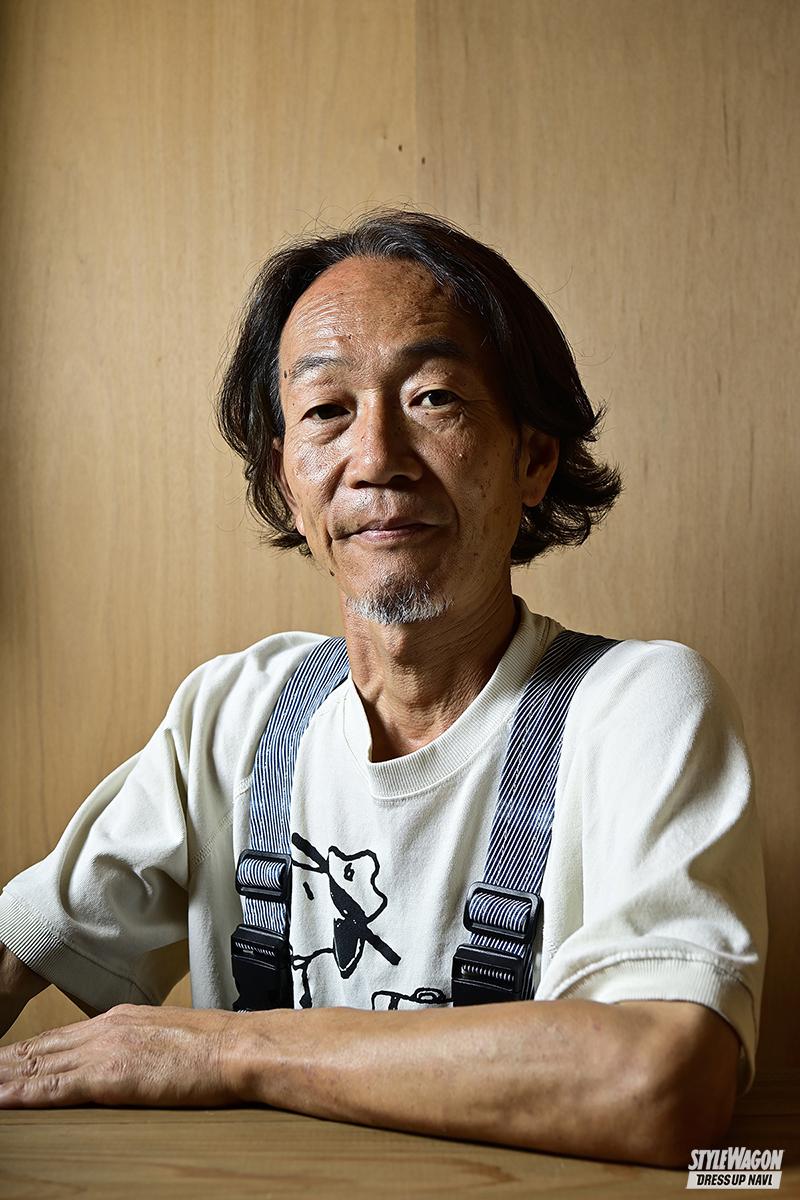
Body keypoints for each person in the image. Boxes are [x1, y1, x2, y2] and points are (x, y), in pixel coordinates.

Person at [0, 209, 766, 1167]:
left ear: (533, 458)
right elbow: (20, 940)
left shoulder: (640, 708)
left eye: (434, 398)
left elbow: (664, 1083)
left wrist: (228, 1049)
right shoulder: (237, 714)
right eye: (326, 411)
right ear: (287, 479)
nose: (375, 460)